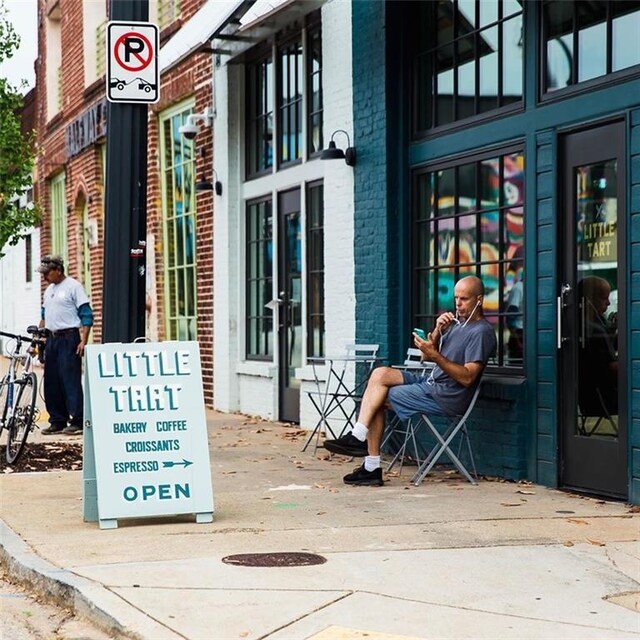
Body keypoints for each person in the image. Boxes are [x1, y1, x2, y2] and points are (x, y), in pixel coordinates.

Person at [323, 275, 497, 486]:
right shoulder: (455, 325)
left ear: (479, 300)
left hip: (447, 395)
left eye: (464, 299)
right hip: (429, 384)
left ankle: (370, 465)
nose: (458, 304)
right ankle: (359, 437)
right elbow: (426, 357)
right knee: (380, 374)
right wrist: (436, 332)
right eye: (456, 298)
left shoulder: (481, 332)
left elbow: (468, 377)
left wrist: (435, 356)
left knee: (377, 396)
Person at [38, 255, 94, 436]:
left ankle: (77, 420)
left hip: (69, 337)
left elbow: (86, 314)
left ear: (58, 270)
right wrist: (40, 337)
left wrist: (83, 341)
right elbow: (44, 315)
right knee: (52, 380)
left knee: (70, 379)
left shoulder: (73, 287)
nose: (44, 277)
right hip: (52, 339)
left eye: (47, 273)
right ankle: (57, 420)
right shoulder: (49, 290)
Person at [578, 276, 618, 420]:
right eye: (603, 298)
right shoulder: (595, 329)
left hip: (587, 397)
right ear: (590, 299)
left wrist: (612, 330)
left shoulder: (580, 325)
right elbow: (613, 368)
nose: (608, 303)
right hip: (605, 399)